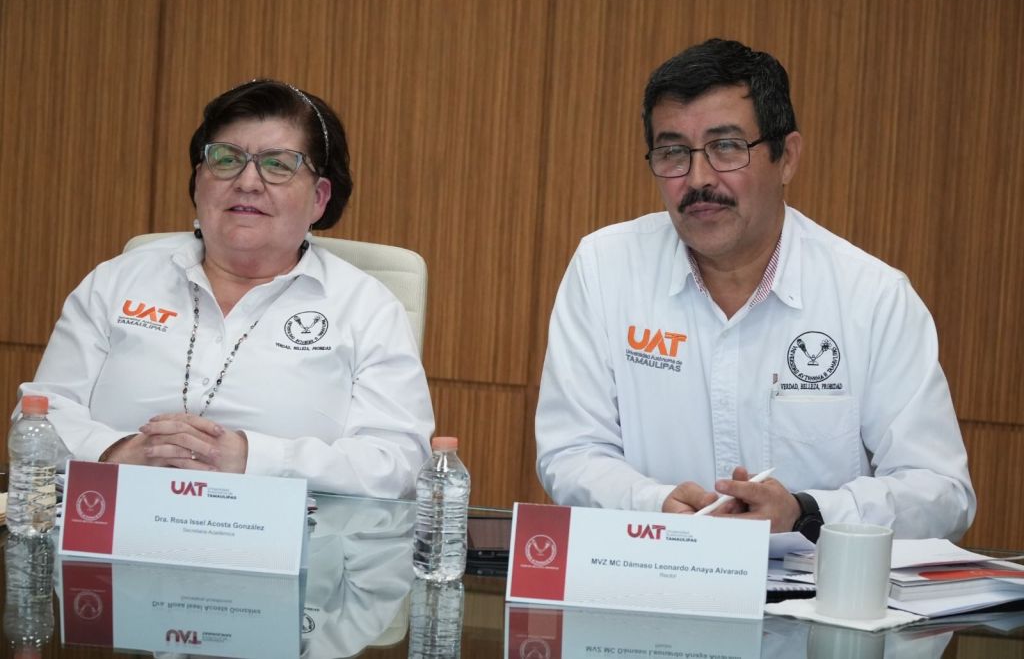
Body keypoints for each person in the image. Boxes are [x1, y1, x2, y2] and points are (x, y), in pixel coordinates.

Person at [534, 39, 975, 540]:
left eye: (726, 147)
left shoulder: (873, 298)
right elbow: (571, 452)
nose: (698, 179)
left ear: (786, 158)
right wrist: (653, 505)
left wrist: (807, 513)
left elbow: (941, 492)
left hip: (814, 581)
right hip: (651, 569)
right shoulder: (605, 268)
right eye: (673, 152)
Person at [17, 80, 433, 498]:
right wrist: (118, 452)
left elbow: (397, 462)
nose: (247, 181)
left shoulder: (366, 307)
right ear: (199, 179)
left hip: (294, 534)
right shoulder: (116, 281)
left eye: (278, 165)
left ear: (319, 198)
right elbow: (37, 417)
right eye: (226, 158)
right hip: (112, 518)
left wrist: (256, 459)